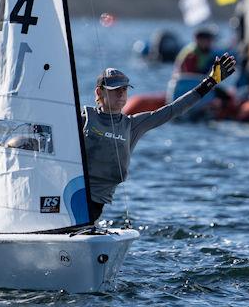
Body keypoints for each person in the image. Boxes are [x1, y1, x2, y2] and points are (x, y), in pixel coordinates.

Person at [85, 54, 236, 223]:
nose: (121, 94)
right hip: (70, 192)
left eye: (124, 89)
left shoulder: (133, 125)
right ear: (99, 92)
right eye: (114, 89)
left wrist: (210, 82)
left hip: (97, 203)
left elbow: (174, 109)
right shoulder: (84, 118)